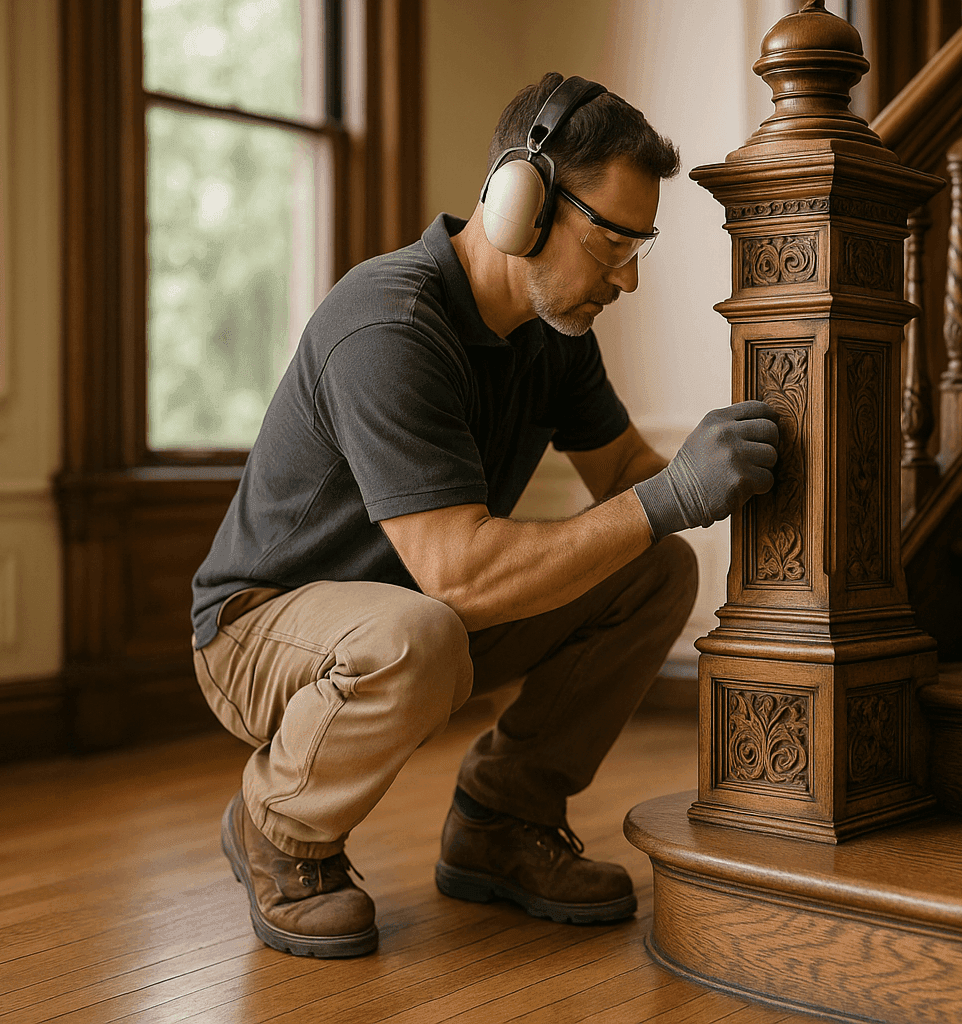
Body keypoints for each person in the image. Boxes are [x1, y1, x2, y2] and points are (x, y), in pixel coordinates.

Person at [190, 72, 779, 959]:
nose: (625, 278)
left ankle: (503, 819)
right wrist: (671, 497)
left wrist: (746, 489)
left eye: (639, 246)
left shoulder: (553, 332)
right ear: (520, 203)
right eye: (610, 241)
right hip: (259, 629)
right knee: (421, 631)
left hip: (417, 615)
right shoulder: (387, 322)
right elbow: (460, 573)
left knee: (656, 568)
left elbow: (623, 472)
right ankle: (282, 829)